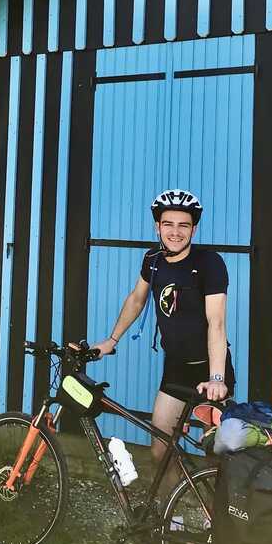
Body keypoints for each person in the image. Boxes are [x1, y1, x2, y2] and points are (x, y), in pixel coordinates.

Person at [92, 189, 235, 493]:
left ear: (193, 229)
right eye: (168, 224)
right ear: (158, 226)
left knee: (218, 455)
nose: (175, 232)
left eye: (183, 225)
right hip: (176, 369)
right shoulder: (153, 260)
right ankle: (176, 521)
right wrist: (111, 339)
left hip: (210, 370)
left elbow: (217, 322)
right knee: (160, 450)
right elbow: (136, 300)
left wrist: (217, 378)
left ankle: (220, 524)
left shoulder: (210, 263)